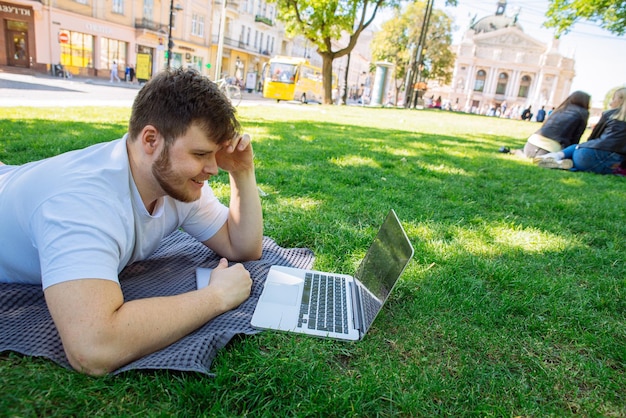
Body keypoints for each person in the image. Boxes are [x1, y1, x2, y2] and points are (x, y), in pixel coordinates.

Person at [0, 68, 263, 375]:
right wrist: (215, 297)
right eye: (201, 153)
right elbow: (94, 348)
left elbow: (242, 245)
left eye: (214, 155)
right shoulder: (80, 203)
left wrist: (242, 173)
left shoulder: (176, 183)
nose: (213, 168)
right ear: (151, 140)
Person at [536, 88, 626, 174]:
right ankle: (564, 163)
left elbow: (594, 137)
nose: (611, 102)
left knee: (577, 148)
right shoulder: (606, 114)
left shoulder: (609, 114)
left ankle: (555, 156)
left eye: (613, 99)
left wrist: (584, 147)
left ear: (619, 100)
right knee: (595, 164)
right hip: (612, 159)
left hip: (585, 152)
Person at [519, 91, 590, 158]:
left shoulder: (560, 109)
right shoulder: (583, 113)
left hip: (530, 146)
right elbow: (576, 138)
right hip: (550, 149)